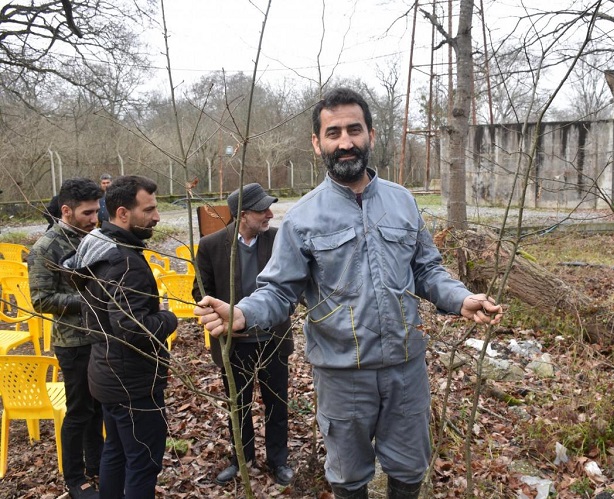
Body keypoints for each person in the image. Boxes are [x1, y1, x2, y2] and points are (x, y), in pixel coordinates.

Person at [195, 87, 502, 499]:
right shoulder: (302, 218)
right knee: (348, 477)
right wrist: (243, 313)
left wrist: (460, 298)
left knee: (410, 468)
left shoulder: (402, 202)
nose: (345, 142)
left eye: (354, 130)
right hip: (342, 374)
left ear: (370, 135)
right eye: (333, 132)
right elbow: (279, 290)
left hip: (405, 368)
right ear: (316, 142)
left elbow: (427, 269)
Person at [63, 175, 177, 498]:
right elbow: (132, 328)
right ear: (123, 214)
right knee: (143, 462)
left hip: (106, 375)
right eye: (149, 210)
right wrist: (168, 318)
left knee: (115, 451)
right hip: (131, 385)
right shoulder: (125, 262)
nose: (157, 217)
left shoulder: (97, 247)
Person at [192, 183, 295, 486]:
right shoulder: (211, 245)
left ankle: (278, 461)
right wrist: (218, 312)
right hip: (233, 345)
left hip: (273, 340)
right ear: (242, 214)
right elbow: (200, 290)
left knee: (277, 405)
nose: (270, 214)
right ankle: (242, 460)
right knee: (239, 407)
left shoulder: (278, 240)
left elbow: (292, 284)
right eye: (263, 210)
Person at [28, 178, 104, 499]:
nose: (94, 219)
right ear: (66, 211)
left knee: (98, 408)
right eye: (87, 213)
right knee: (79, 411)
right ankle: (74, 477)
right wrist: (90, 300)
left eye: (97, 211)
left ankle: (97, 464)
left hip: (100, 337)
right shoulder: (46, 248)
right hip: (73, 343)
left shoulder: (94, 238)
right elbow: (41, 300)